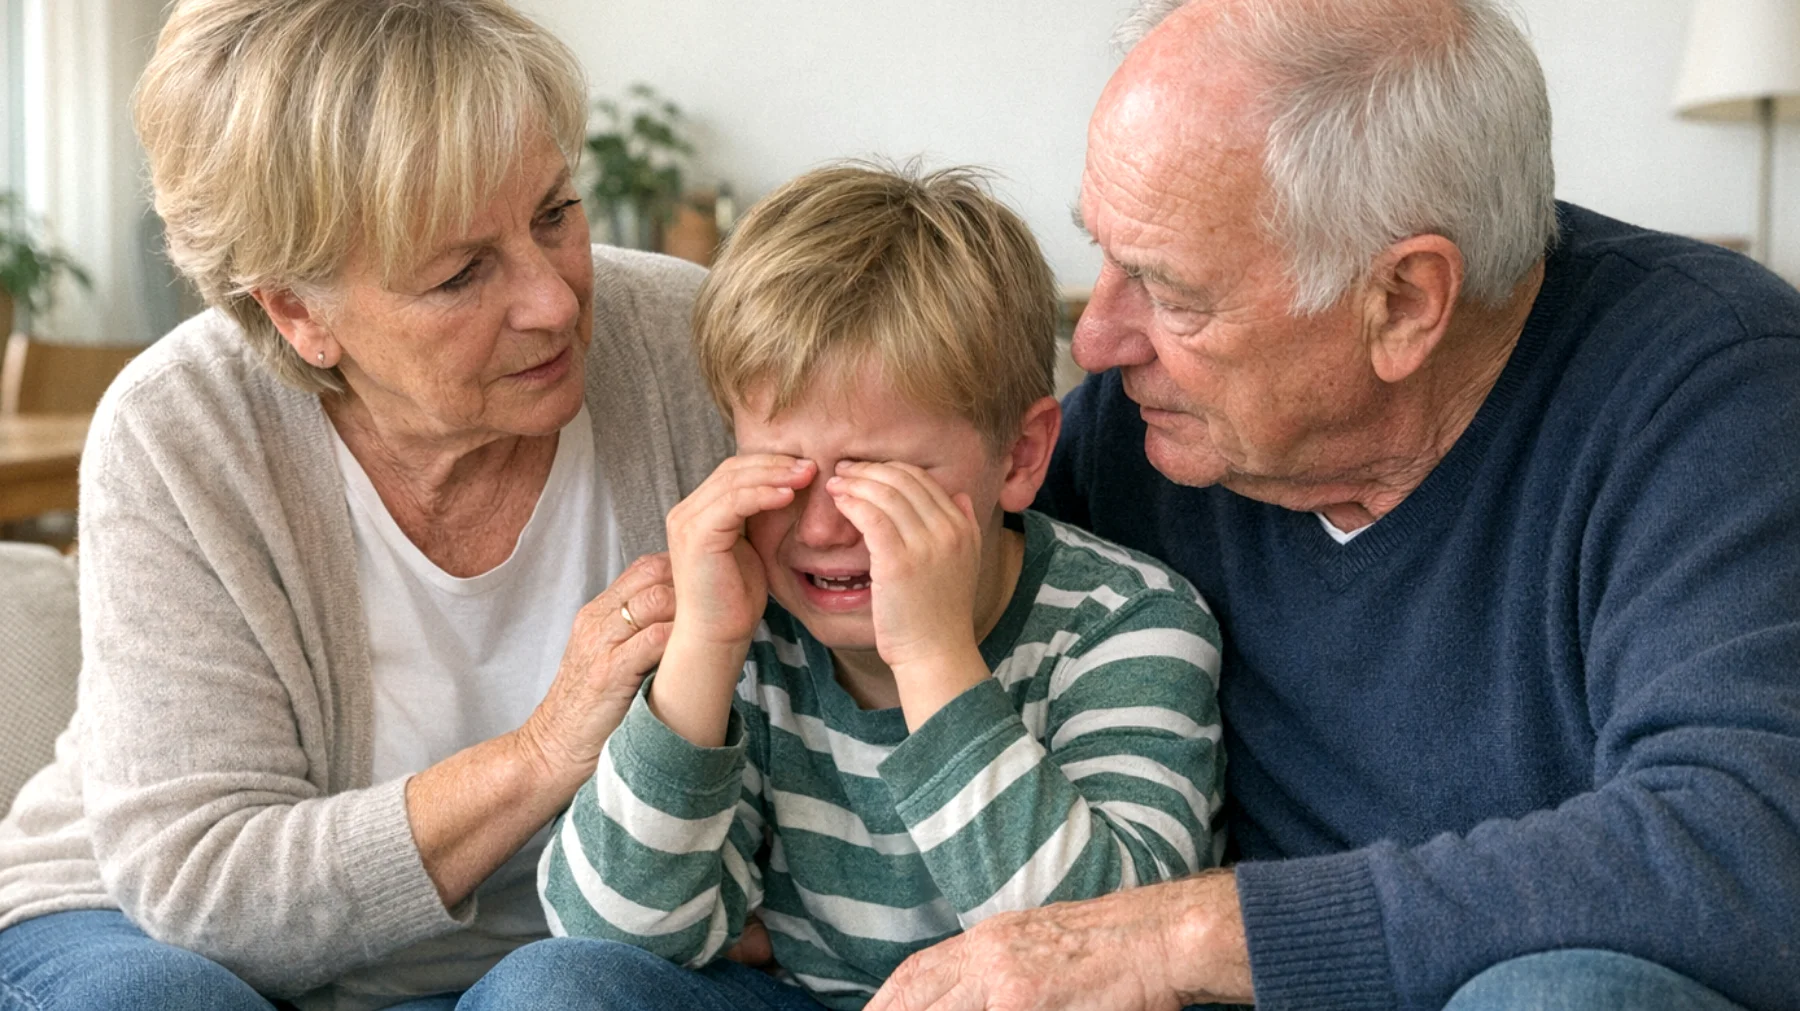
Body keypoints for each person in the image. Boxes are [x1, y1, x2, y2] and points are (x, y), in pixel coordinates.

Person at [866, 2, 1800, 1010]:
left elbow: (1752, 850)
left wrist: (1172, 938)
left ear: (1403, 301)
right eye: (1104, 255)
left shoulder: (1717, 393)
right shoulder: (1139, 424)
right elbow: (907, 630)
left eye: (1170, 292)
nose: (1095, 341)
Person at [0, 1, 731, 1008]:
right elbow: (207, 884)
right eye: (461, 273)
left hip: (561, 955)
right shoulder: (184, 429)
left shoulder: (686, 344)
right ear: (297, 310)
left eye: (554, 214)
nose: (556, 300)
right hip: (147, 930)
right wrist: (538, 753)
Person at [459, 165, 1226, 1010]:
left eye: (878, 480)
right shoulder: (750, 626)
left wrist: (932, 656)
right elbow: (609, 933)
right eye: (783, 471)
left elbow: (1104, 957)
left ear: (1019, 456)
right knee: (548, 986)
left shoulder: (1126, 626)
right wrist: (702, 652)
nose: (822, 528)